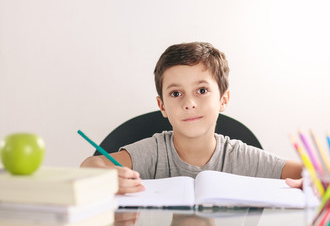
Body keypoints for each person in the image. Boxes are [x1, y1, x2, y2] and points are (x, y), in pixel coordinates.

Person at [80, 42, 303, 194]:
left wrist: (312, 180)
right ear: (162, 106)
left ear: (223, 100)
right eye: (176, 94)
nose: (189, 103)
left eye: (202, 90)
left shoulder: (240, 157)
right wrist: (104, 176)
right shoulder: (154, 152)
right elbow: (90, 165)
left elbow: (306, 172)